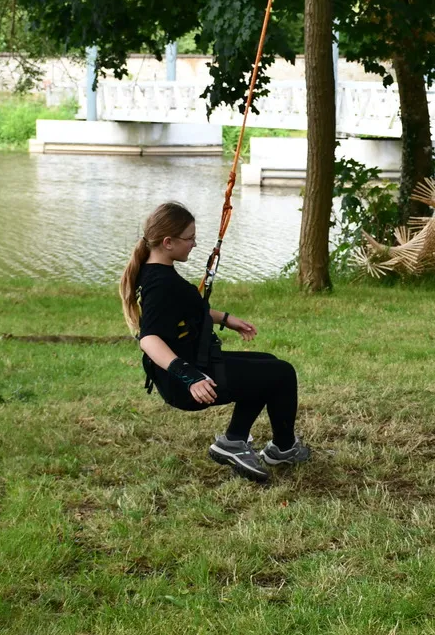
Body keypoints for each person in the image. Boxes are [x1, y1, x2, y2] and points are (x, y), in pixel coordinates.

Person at [118, 202, 310, 483]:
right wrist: (190, 376)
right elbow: (148, 339)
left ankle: (236, 441)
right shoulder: (160, 283)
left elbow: (188, 309)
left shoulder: (156, 271)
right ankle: (282, 448)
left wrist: (226, 319)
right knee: (281, 373)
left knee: (267, 364)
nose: (195, 244)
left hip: (200, 364)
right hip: (188, 381)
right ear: (168, 242)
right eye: (190, 238)